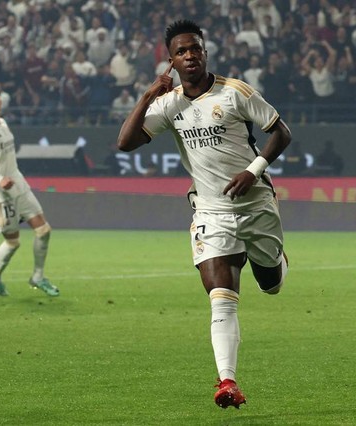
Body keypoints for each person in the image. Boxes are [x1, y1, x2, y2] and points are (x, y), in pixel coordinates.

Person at [117, 20, 291, 409]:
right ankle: (228, 381)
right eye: (181, 51)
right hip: (210, 209)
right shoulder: (169, 103)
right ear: (172, 61)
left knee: (271, 285)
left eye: (195, 48)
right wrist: (147, 96)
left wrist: (253, 170)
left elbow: (282, 132)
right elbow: (125, 143)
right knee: (221, 297)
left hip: (255, 202)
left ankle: (276, 260)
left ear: (205, 52)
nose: (190, 55)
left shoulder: (235, 92)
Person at [0, 87, 59, 297]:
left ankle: (38, 276)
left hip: (19, 184)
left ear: (1, 103)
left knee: (44, 230)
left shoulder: (3, 123)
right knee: (13, 242)